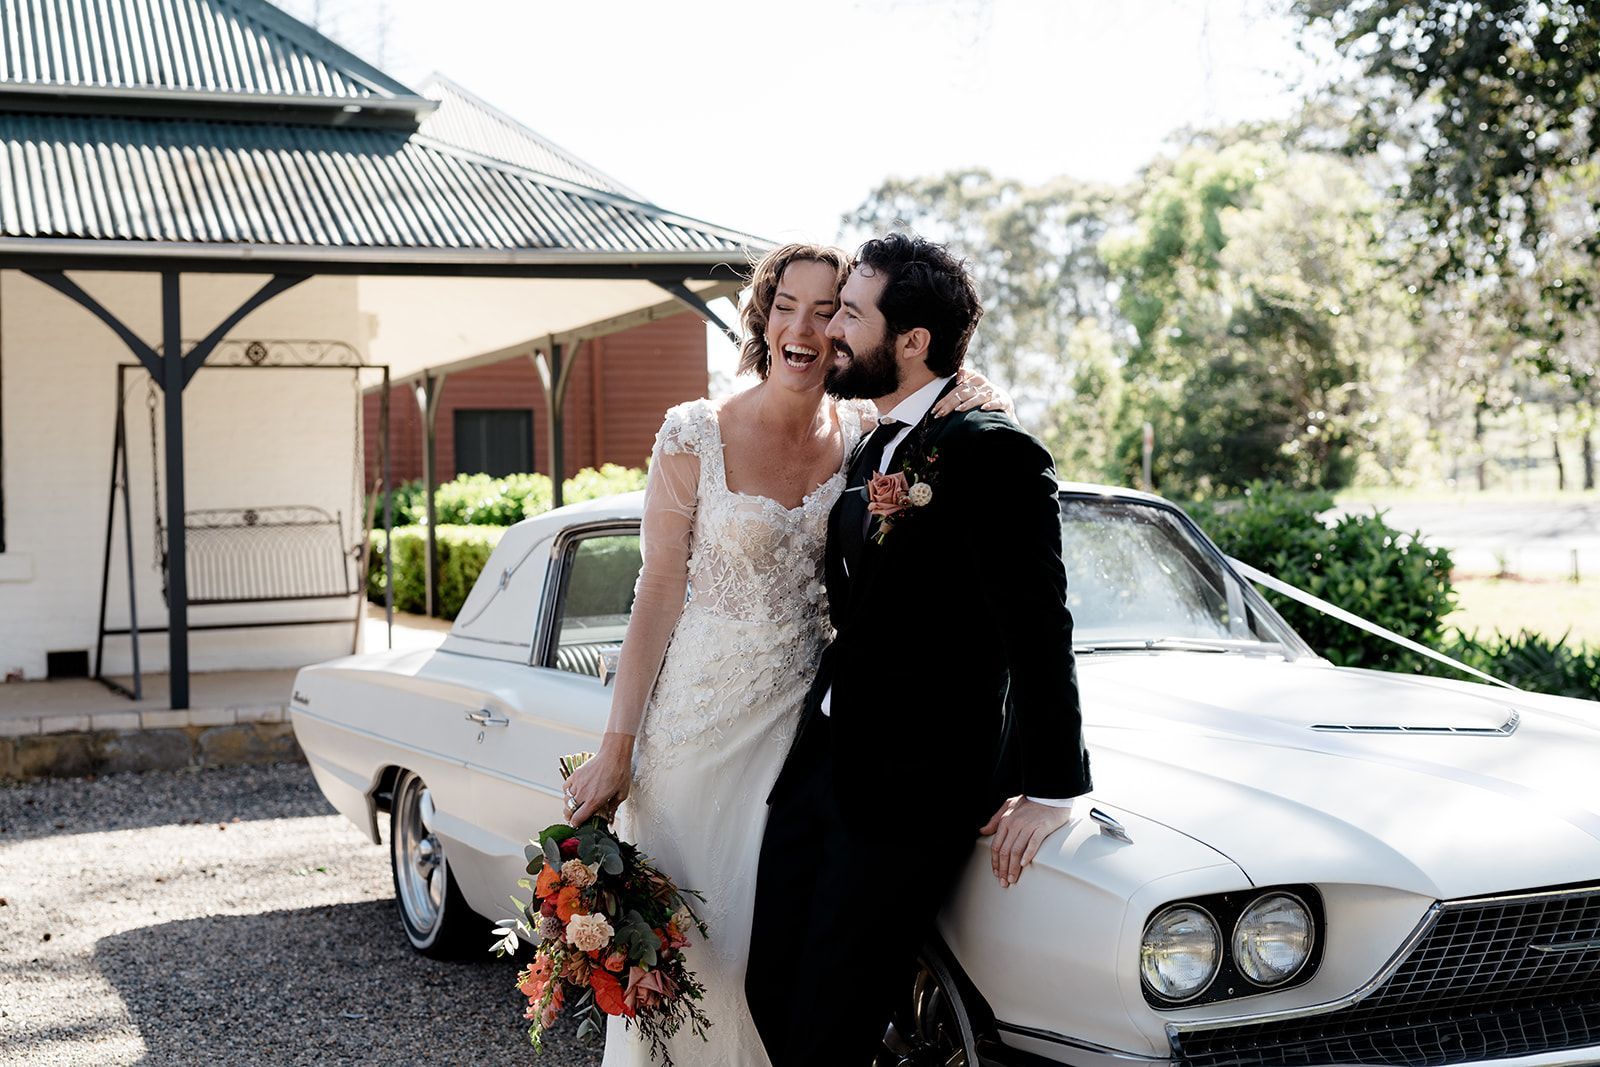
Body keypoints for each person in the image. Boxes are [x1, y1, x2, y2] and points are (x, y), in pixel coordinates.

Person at [560, 241, 1009, 1067]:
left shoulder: (871, 439)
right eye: (787, 305)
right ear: (763, 317)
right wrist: (616, 748)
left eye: (829, 308)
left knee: (775, 964)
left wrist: (974, 392)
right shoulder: (693, 434)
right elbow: (655, 596)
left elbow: (958, 470)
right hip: (692, 736)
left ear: (847, 329)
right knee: (688, 962)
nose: (805, 325)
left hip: (805, 745)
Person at [744, 233, 1093, 1067]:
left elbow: (1040, 625)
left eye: (852, 316)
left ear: (911, 341)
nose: (832, 331)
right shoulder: (881, 439)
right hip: (822, 767)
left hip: (908, 791)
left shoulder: (990, 450)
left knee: (830, 1021)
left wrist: (1054, 786)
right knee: (766, 983)